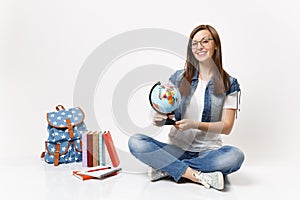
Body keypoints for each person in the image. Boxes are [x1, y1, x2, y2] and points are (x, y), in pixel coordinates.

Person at [128, 24, 244, 190]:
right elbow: (166, 111)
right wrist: (159, 118)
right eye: (195, 43)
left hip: (208, 152)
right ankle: (196, 175)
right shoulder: (178, 78)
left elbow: (226, 127)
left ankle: (166, 168)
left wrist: (195, 124)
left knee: (235, 156)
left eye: (205, 41)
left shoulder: (229, 83)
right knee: (136, 142)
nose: (199, 47)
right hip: (176, 148)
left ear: (215, 45)